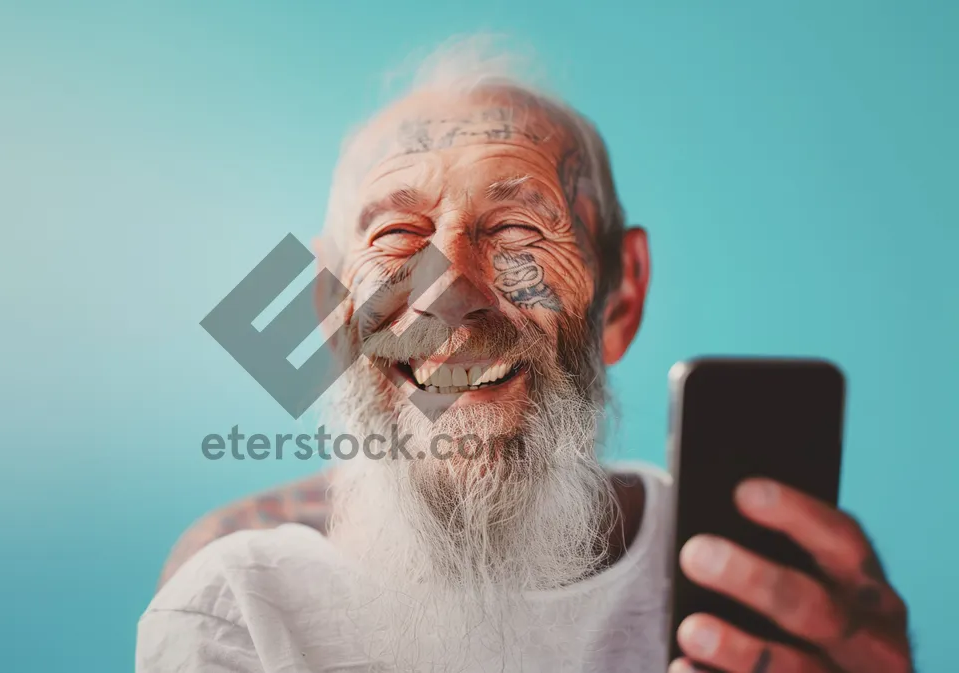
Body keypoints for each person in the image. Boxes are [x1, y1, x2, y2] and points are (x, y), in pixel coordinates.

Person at [138, 37, 913, 673]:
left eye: (515, 228)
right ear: (331, 311)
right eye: (397, 235)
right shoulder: (240, 601)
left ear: (621, 295)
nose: (448, 293)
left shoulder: (770, 584)